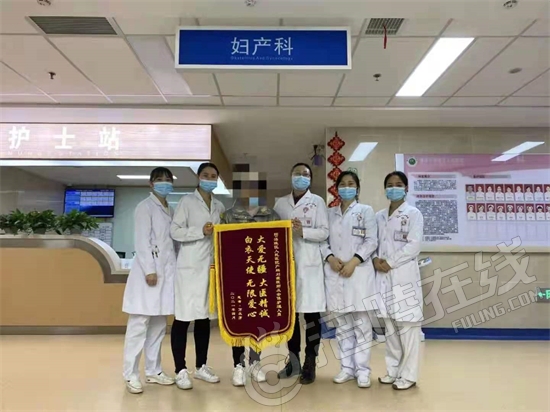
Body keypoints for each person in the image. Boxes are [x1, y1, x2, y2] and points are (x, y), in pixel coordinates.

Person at [122, 167, 177, 394]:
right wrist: (149, 270)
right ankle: (130, 373)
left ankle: (154, 371)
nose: (164, 183)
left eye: (168, 179)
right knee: (139, 325)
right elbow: (142, 241)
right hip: (148, 274)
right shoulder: (144, 207)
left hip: (166, 275)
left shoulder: (170, 209)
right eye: (159, 179)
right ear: (151, 184)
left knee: (158, 325)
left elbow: (170, 244)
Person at [170, 162, 225, 390]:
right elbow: (175, 231)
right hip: (189, 268)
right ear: (198, 177)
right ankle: (180, 370)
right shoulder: (186, 202)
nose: (209, 179)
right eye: (205, 175)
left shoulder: (219, 206)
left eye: (213, 176)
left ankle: (201, 366)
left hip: (210, 269)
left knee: (204, 318)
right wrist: (199, 231)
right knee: (183, 318)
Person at [321, 171, 377, 388]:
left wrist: (354, 261)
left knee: (362, 326)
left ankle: (362, 370)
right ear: (336, 188)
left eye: (351, 184)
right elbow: (322, 241)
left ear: (357, 188)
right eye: (342, 184)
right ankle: (346, 368)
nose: (346, 187)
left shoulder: (366, 211)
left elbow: (371, 241)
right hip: (335, 273)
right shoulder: (329, 213)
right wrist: (330, 258)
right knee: (343, 327)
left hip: (359, 273)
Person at [220, 181, 279, 387]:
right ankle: (238, 365)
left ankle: (255, 362)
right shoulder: (228, 215)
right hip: (236, 274)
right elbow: (221, 244)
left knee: (257, 316)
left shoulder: (270, 215)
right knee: (237, 318)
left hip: (260, 274)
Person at [274, 162, 329, 385]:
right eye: (297, 173)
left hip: (309, 265)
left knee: (312, 317)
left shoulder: (317, 202)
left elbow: (324, 232)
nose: (301, 177)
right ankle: (294, 361)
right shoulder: (280, 203)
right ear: (290, 176)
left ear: (310, 179)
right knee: (291, 318)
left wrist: (302, 231)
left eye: (305, 174)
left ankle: (310, 362)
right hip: (286, 266)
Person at [373, 171, 424, 391]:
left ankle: (409, 375)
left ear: (406, 188)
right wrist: (375, 259)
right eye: (390, 185)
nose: (394, 188)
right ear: (385, 189)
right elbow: (373, 243)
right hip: (383, 277)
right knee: (390, 327)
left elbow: (414, 245)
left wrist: (390, 262)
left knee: (408, 327)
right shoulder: (379, 216)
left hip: (403, 276)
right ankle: (392, 371)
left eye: (399, 184)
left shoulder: (413, 214)